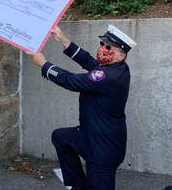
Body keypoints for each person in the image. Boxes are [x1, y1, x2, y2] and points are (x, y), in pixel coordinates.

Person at [27, 24, 137, 190]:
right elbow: (88, 61)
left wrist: (44, 65)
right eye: (102, 44)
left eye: (109, 47)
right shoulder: (114, 67)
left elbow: (70, 81)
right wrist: (64, 40)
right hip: (88, 135)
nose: (103, 49)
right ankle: (77, 185)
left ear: (121, 56)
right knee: (60, 137)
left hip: (102, 149)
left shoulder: (109, 76)